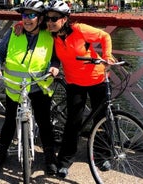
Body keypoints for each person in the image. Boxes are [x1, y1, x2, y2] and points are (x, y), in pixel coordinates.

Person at [45, 0, 117, 178]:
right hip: (74, 83)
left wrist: (107, 56)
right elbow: (29, 23)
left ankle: (101, 156)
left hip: (97, 79)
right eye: (47, 18)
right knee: (73, 122)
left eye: (54, 18)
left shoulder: (79, 29)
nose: (50, 22)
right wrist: (19, 24)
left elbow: (104, 36)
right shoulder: (50, 34)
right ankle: (65, 160)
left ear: (64, 19)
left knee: (101, 119)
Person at [0, 0, 60, 175]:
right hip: (15, 87)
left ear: (41, 18)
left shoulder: (50, 34)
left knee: (44, 122)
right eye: (24, 15)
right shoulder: (14, 32)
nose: (27, 19)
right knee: (9, 121)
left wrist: (55, 66)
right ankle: (0, 153)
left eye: (32, 15)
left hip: (39, 86)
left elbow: (57, 56)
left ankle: (50, 156)